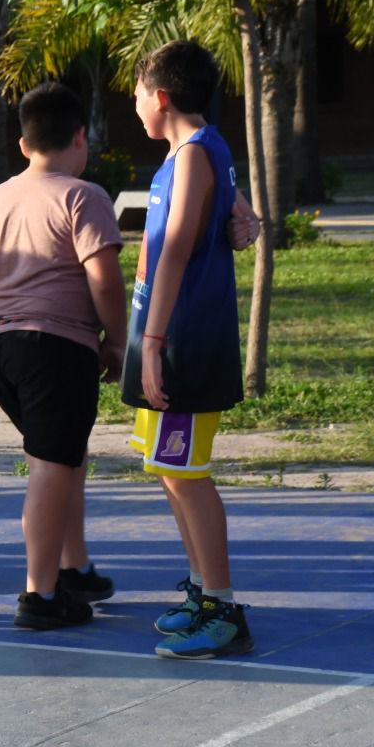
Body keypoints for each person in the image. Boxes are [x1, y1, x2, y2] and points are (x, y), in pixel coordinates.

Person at [0, 83, 127, 630]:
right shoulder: (83, 196)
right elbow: (105, 280)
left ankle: (72, 566)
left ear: (23, 144)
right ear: (80, 138)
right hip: (53, 346)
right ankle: (41, 595)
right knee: (51, 468)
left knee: (62, 454)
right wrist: (117, 341)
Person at [125, 40, 253, 659]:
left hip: (184, 339)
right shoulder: (190, 152)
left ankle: (224, 609)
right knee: (167, 470)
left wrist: (153, 343)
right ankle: (202, 592)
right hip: (160, 332)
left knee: (188, 474)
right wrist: (246, 218)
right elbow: (234, 212)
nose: (134, 105)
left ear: (162, 97)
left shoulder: (199, 153)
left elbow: (175, 249)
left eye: (138, 94)